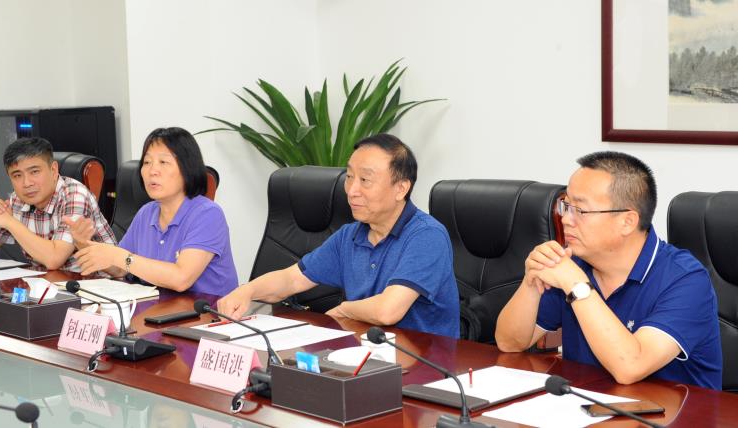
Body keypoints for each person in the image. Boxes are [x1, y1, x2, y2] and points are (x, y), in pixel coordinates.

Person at [495, 151, 722, 389]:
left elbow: (630, 367)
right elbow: (509, 343)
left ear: (627, 222)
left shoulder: (686, 280)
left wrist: (577, 286)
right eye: (566, 205)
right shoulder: (574, 264)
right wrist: (531, 282)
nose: (565, 219)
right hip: (586, 404)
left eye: (580, 210)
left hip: (675, 410)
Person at [217, 134, 460, 338]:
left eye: (365, 180)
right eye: (350, 177)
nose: (352, 190)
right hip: (367, 353)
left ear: (401, 188)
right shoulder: (350, 236)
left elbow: (388, 310)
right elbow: (292, 279)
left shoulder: (427, 236)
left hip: (427, 363)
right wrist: (247, 291)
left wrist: (344, 310)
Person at [70, 127, 238, 295]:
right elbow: (120, 269)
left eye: (163, 162)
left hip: (207, 309)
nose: (152, 171)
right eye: (147, 162)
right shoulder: (146, 213)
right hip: (159, 307)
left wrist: (120, 257)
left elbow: (181, 278)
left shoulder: (208, 214)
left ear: (187, 169)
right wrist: (84, 244)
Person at [0, 137, 115, 271]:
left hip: (98, 283)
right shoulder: (17, 200)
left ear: (53, 170)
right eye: (17, 175)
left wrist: (10, 222)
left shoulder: (74, 195)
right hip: (50, 283)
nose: (26, 183)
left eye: (34, 172)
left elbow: (54, 259)